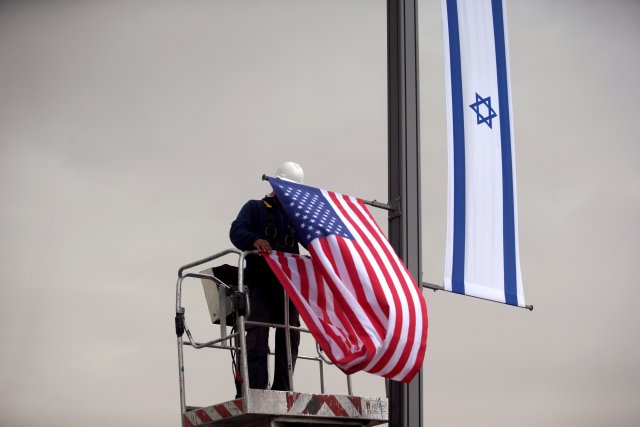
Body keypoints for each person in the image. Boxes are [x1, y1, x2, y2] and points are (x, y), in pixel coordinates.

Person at [229, 161, 303, 392]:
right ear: (275, 184)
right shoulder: (255, 208)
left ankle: (283, 388)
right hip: (260, 283)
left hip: (287, 287)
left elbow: (316, 241)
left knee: (290, 335)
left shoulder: (296, 218)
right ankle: (256, 389)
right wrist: (254, 240)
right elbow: (236, 230)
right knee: (256, 336)